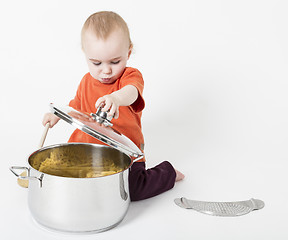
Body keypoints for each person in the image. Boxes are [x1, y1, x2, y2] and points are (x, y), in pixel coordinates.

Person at [43, 11, 184, 201]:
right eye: (96, 63)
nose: (106, 70)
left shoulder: (130, 77)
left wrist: (116, 98)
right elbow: (76, 106)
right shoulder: (86, 81)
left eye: (115, 62)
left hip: (124, 155)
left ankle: (167, 173)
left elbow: (132, 92)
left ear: (128, 52)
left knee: (132, 190)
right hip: (86, 150)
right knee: (67, 178)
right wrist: (57, 115)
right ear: (86, 55)